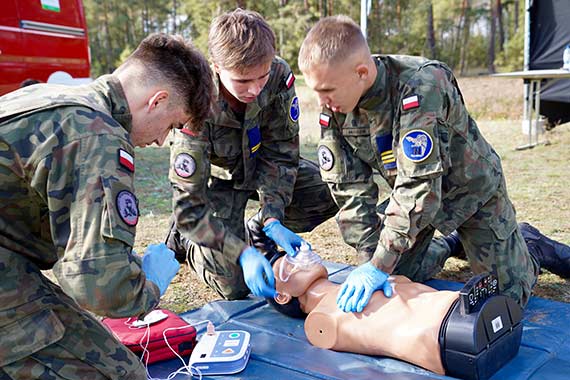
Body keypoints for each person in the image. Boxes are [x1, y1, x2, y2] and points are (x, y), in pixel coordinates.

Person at [297, 16, 570, 313]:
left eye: (326, 90)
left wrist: (379, 264)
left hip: (470, 194)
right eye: (315, 91)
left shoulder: (421, 85)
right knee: (396, 283)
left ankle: (530, 247)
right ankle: (450, 243)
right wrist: (369, 260)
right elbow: (349, 190)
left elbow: (419, 185)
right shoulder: (335, 108)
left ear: (361, 72)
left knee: (504, 299)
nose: (321, 101)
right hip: (411, 203)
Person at [0, 33, 214, 379]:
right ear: (157, 101)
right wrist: (150, 286)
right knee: (118, 374)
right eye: (172, 126)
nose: (162, 140)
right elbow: (96, 285)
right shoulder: (98, 135)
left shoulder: (57, 97)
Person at [165, 9, 338, 300]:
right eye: (243, 81)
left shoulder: (279, 76)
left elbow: (281, 154)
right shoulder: (195, 100)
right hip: (217, 186)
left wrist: (272, 217)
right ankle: (186, 240)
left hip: (260, 170)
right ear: (217, 66)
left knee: (328, 192)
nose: (256, 89)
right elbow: (188, 203)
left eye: (262, 76)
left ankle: (255, 228)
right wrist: (241, 253)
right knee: (235, 286)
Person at [267, 250, 522, 378]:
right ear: (282, 295)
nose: (297, 257)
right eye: (287, 263)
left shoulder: (357, 282)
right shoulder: (319, 323)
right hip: (453, 338)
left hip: (466, 309)